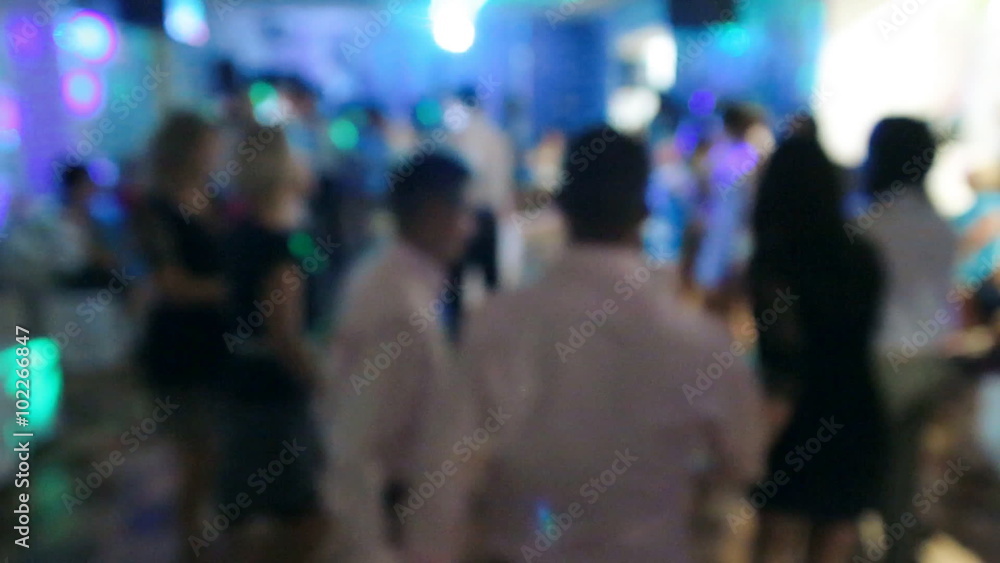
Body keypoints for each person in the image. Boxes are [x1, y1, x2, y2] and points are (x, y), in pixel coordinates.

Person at [405, 126, 766, 562]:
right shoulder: (697, 339)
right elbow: (743, 460)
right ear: (644, 212)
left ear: (563, 206)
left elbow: (443, 475)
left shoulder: (499, 325)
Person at [320, 153, 474, 563]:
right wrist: (373, 552)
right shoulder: (399, 309)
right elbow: (356, 447)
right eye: (464, 213)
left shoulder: (393, 281)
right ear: (435, 214)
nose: (470, 228)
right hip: (395, 533)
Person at [748, 138, 888, 562]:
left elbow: (783, 360)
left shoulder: (774, 261)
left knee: (773, 542)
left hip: (797, 418)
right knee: (834, 541)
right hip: (857, 410)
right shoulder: (862, 255)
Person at [214, 126, 326, 562]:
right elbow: (285, 335)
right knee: (299, 510)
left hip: (241, 381)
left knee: (244, 506)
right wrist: (321, 381)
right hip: (275, 392)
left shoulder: (241, 234)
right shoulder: (279, 248)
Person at [860, 118, 958, 563]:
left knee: (862, 473)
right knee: (904, 478)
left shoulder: (868, 224)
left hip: (874, 362)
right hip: (928, 362)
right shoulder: (940, 226)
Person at [134, 111, 228, 562]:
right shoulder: (156, 210)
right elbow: (171, 283)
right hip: (179, 346)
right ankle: (191, 540)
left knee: (213, 447)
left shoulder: (212, 200)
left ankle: (200, 534)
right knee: (197, 450)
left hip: (214, 341)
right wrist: (233, 290)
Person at [445, 85, 517, 339]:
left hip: (464, 216)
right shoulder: (496, 136)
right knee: (490, 280)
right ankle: (495, 334)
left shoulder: (459, 137)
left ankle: (455, 337)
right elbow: (503, 183)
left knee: (455, 283)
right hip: (487, 217)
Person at [693, 103, 766, 312]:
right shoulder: (745, 155)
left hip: (725, 223)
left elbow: (705, 186)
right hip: (728, 223)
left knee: (716, 273)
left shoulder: (722, 152)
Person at [53, 163, 118, 288]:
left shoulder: (95, 220)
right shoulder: (60, 222)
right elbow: (70, 260)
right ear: (74, 188)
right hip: (74, 280)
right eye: (87, 184)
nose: (93, 188)